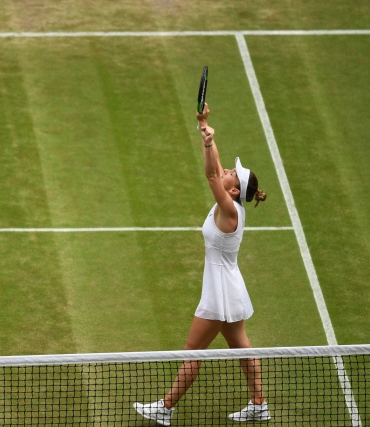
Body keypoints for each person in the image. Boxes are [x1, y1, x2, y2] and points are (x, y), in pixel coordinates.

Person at [133, 103, 269, 426]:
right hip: (228, 289)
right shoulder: (231, 203)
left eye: (231, 174)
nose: (225, 171)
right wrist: (204, 127)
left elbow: (210, 172)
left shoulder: (229, 210)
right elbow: (217, 166)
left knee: (193, 350)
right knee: (243, 350)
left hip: (220, 293)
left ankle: (165, 408)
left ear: (234, 190)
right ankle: (259, 404)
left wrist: (208, 142)